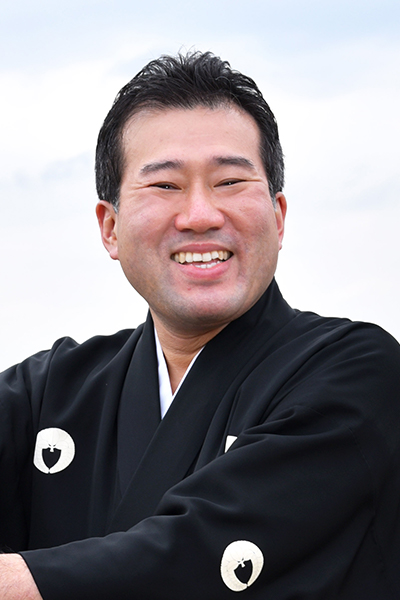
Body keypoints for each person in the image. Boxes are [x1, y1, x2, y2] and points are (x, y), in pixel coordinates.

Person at [0, 51, 399, 600]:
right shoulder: (51, 392)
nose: (201, 215)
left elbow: (201, 552)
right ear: (110, 227)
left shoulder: (357, 371)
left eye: (230, 181)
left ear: (278, 217)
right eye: (165, 186)